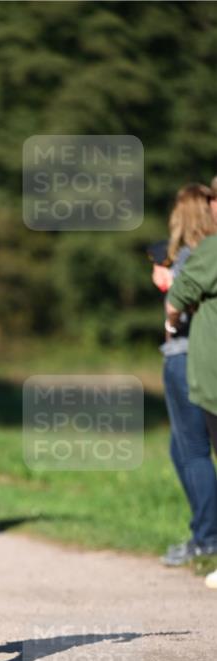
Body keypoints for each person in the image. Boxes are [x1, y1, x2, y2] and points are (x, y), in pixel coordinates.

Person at [153, 184, 217, 567]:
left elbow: (179, 304)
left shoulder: (199, 253)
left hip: (186, 355)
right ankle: (203, 530)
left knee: (193, 450)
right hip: (190, 354)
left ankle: (207, 537)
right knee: (183, 449)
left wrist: (168, 289)